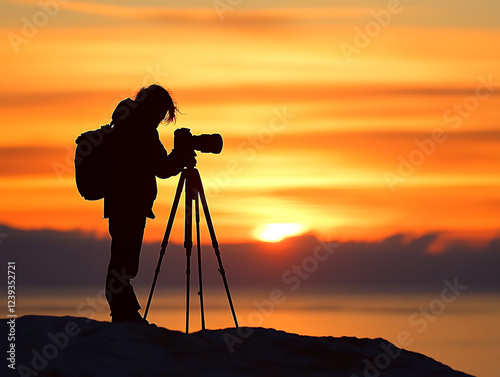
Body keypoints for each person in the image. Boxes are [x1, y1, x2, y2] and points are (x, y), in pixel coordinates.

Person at [104, 84, 194, 323]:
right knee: (125, 258)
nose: (160, 119)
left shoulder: (126, 123)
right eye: (161, 113)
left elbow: (155, 165)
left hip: (121, 201)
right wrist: (180, 156)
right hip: (130, 203)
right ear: (152, 107)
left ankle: (124, 311)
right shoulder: (139, 129)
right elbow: (161, 168)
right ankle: (124, 313)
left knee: (122, 257)